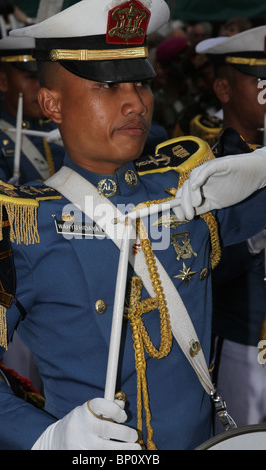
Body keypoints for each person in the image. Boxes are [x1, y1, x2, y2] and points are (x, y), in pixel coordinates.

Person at [0, 0, 266, 451]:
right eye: (107, 86)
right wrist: (46, 438)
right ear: (51, 102)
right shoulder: (13, 223)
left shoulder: (193, 188)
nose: (135, 102)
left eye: (141, 82)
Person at [196, 26, 266, 432]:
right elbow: (191, 269)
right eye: (261, 80)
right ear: (223, 88)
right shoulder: (200, 167)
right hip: (241, 342)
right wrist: (254, 241)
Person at [0, 35, 65, 185]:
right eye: (31, 77)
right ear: (2, 81)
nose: (42, 87)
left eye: (44, 78)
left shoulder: (62, 132)